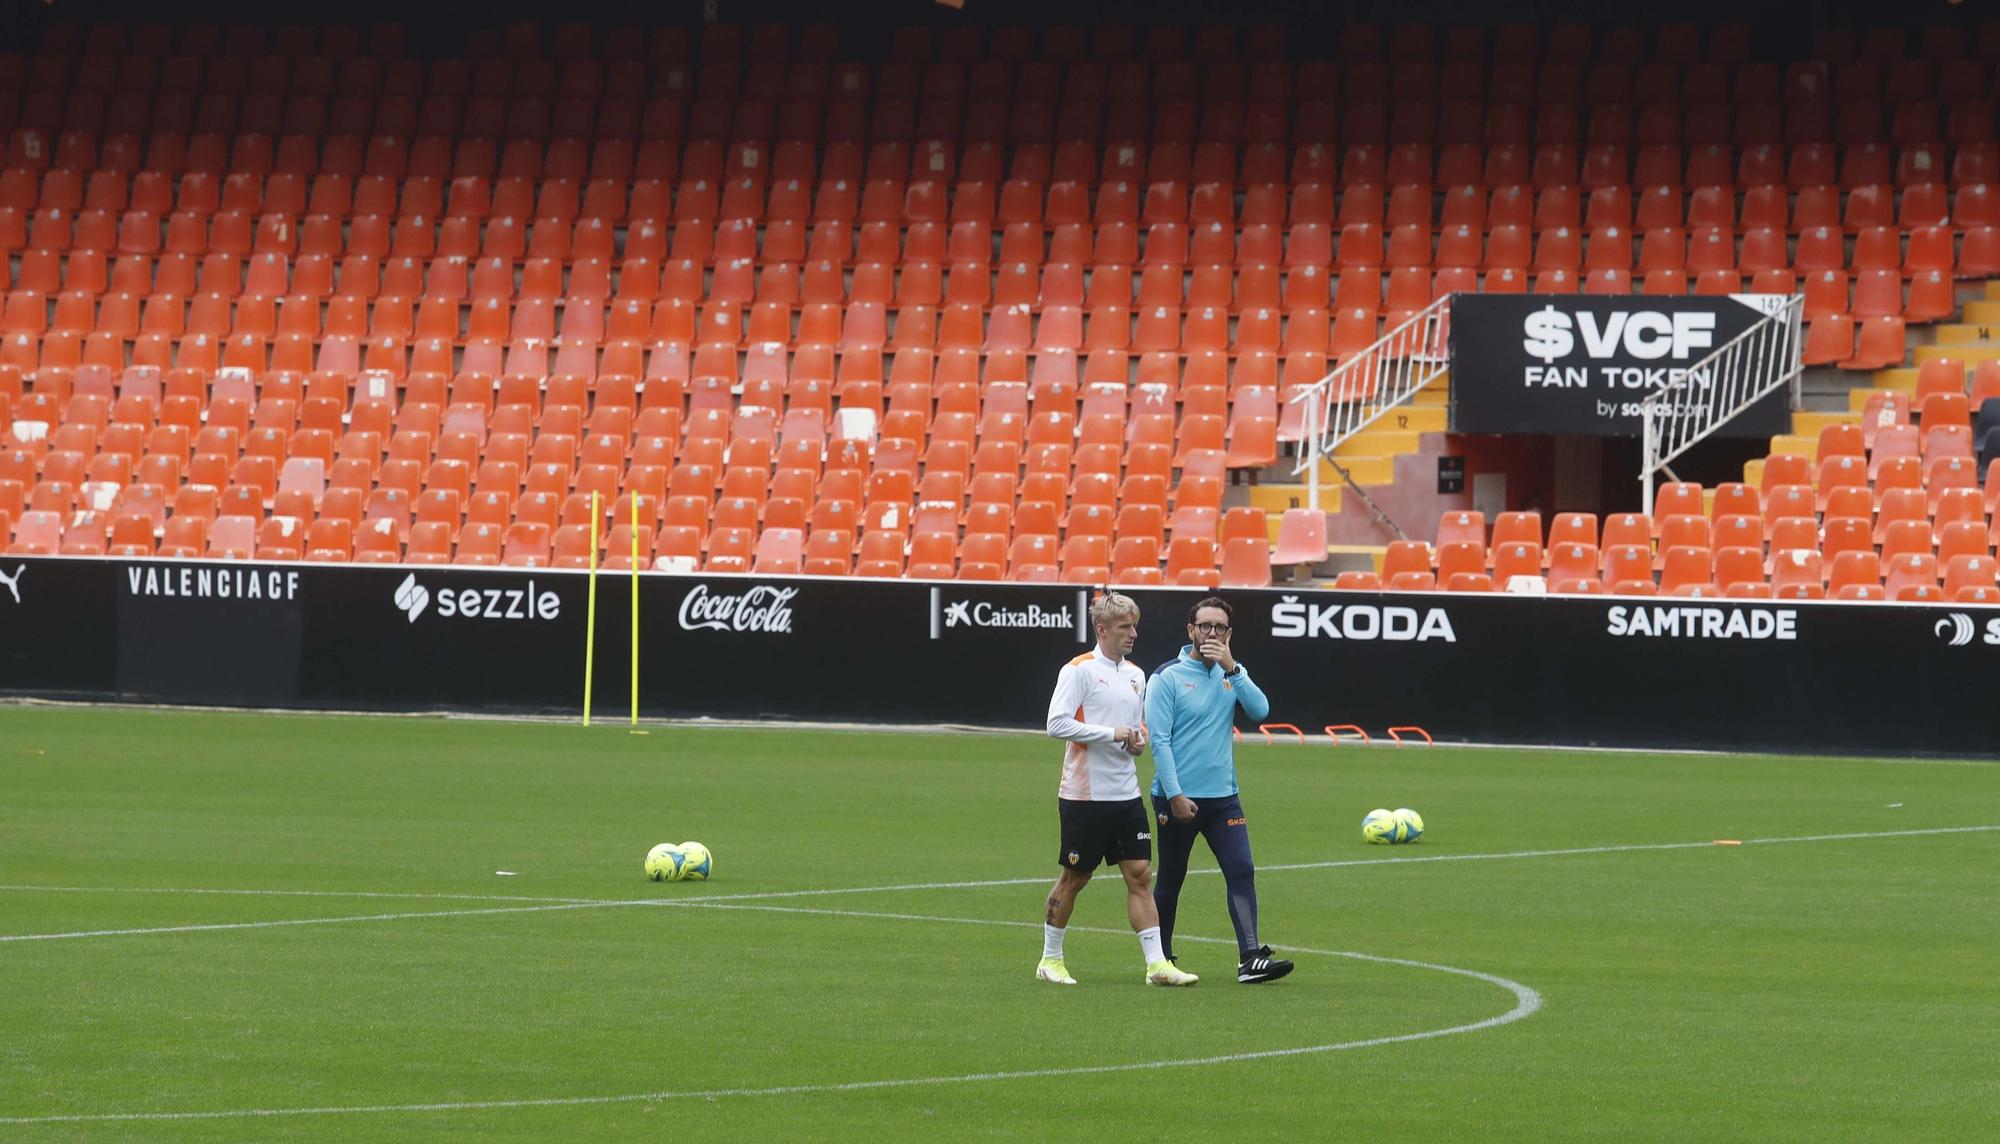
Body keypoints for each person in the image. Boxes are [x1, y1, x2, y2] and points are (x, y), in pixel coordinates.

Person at [1036, 592, 1199, 988]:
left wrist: (1136, 740)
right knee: (1075, 877)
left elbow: (1133, 730)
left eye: (1135, 625)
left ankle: (1157, 964)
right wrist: (1113, 734)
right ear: (1102, 629)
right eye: (1125, 627)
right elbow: (1055, 724)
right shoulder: (1078, 671)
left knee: (1140, 874)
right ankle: (1050, 959)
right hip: (1085, 795)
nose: (1133, 633)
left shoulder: (1136, 675)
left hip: (1125, 793)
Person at [1145, 596, 1294, 984]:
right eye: (1205, 626)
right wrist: (1175, 794)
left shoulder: (1231, 674)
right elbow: (1159, 741)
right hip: (1177, 798)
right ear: (1190, 630)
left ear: (1229, 634)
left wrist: (1234, 668)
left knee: (1241, 869)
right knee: (1172, 877)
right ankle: (1160, 960)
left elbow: (1261, 711)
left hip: (1223, 797)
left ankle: (1250, 958)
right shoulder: (1167, 677)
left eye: (1220, 628)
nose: (1212, 633)